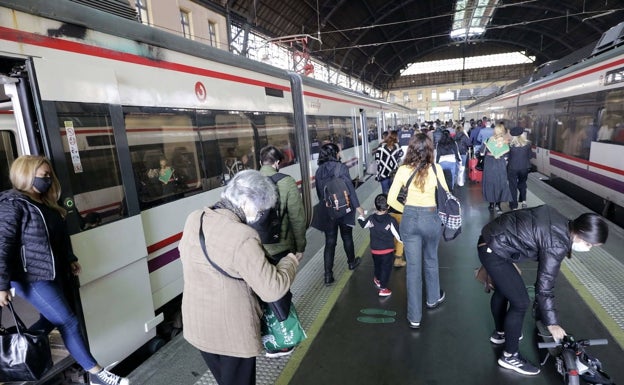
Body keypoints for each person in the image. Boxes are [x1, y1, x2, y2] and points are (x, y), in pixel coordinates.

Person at [0, 155, 129, 385]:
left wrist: (70, 258)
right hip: (30, 277)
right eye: (43, 175)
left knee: (51, 320)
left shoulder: (44, 203)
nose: (48, 179)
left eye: (50, 175)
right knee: (68, 321)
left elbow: (57, 239)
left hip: (53, 272)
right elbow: (3, 244)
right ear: (26, 175)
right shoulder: (13, 203)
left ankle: (23, 352)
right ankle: (98, 374)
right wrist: (1, 284)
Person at [179, 170, 301, 385]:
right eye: (261, 208)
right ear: (246, 202)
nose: (260, 214)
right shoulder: (242, 235)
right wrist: (289, 261)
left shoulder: (195, 218)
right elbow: (272, 288)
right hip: (230, 332)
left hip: (197, 324)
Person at [478, 206, 608, 375]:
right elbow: (544, 286)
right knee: (521, 302)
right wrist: (552, 324)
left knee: (505, 290)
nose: (588, 249)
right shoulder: (557, 243)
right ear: (580, 232)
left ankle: (501, 333)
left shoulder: (560, 219)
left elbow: (515, 217)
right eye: (588, 244)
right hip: (495, 249)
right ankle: (510, 356)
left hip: (494, 239)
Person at [387, 134, 448, 329]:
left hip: (410, 219)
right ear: (430, 149)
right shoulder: (436, 169)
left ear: (410, 149)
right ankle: (432, 299)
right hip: (431, 218)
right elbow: (446, 196)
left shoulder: (403, 170)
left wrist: (409, 210)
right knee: (431, 259)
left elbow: (390, 200)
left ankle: (415, 317)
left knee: (413, 268)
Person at [312, 143, 365, 285]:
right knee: (347, 236)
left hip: (328, 210)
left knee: (330, 242)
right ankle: (351, 262)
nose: (339, 154)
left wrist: (328, 204)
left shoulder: (318, 171)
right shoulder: (341, 168)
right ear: (334, 153)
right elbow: (350, 189)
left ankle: (328, 276)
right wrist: (358, 207)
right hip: (345, 208)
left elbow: (319, 193)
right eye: (338, 152)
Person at [258, 145, 307, 263]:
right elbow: (297, 218)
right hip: (281, 246)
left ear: (260, 162)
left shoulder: (248, 182)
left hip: (256, 248)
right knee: (283, 280)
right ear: (277, 162)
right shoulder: (287, 181)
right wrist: (300, 247)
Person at [357, 194, 402, 297]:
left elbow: (363, 224)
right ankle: (383, 288)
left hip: (375, 250)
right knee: (386, 269)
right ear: (388, 207)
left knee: (377, 265)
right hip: (387, 251)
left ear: (375, 206)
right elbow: (399, 237)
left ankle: (377, 279)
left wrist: (361, 215)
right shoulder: (391, 220)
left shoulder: (371, 218)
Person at [481, 123, 512, 214]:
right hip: (500, 164)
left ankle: (491, 204)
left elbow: (482, 153)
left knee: (490, 183)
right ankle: (498, 205)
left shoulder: (488, 140)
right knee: (500, 183)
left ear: (494, 131)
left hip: (489, 164)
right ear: (503, 131)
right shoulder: (506, 142)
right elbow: (507, 155)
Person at [506, 127, 532, 210]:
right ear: (522, 135)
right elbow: (530, 156)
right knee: (522, 183)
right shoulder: (528, 144)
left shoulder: (510, 145)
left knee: (512, 186)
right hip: (524, 168)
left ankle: (514, 206)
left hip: (512, 168)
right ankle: (524, 201)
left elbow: (507, 157)